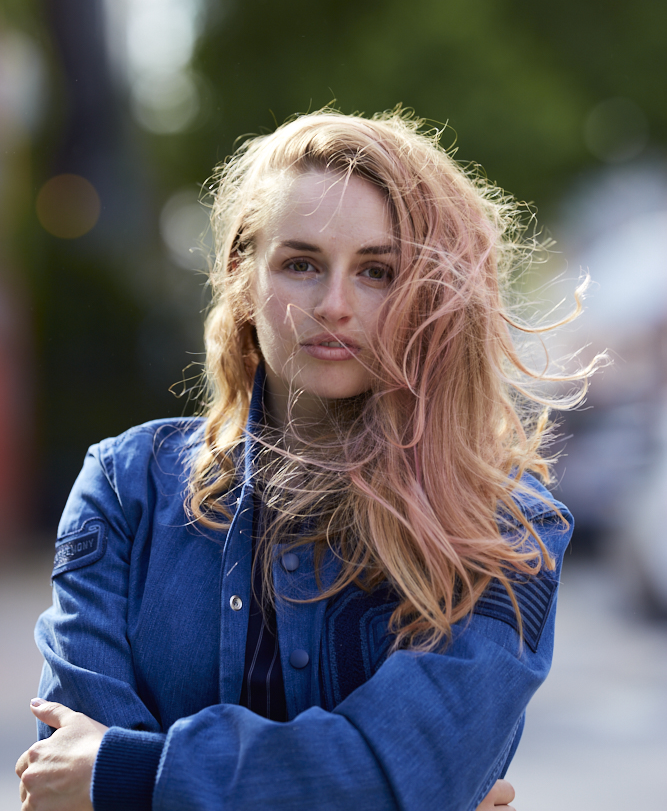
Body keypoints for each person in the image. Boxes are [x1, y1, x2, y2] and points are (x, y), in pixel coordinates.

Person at [17, 109, 596, 811]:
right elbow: (63, 779)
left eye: (378, 271)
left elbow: (399, 773)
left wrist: (128, 775)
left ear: (431, 298)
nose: (334, 304)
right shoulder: (123, 488)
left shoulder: (505, 529)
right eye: (300, 264)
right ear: (243, 277)